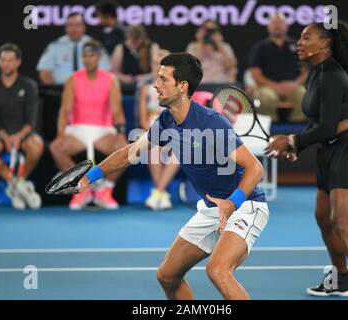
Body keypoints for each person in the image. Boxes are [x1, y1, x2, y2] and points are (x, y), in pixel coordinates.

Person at [76, 53, 270, 299]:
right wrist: (87, 178)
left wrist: (233, 202)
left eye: (162, 79)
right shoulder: (166, 121)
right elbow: (130, 153)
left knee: (218, 271)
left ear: (182, 86)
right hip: (211, 208)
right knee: (167, 275)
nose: (155, 85)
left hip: (245, 205)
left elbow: (255, 168)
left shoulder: (211, 123)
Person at [264, 21, 348, 300]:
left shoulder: (333, 76)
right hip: (329, 152)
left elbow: (329, 126)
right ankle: (341, 278)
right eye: (299, 37)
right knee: (323, 218)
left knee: (343, 222)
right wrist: (302, 145)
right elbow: (318, 123)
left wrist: (294, 141)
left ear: (324, 44)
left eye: (306, 37)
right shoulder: (315, 73)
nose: (299, 42)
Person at [49, 40, 128, 210]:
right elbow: (64, 110)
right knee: (56, 147)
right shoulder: (73, 79)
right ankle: (81, 189)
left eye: (91, 56)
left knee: (128, 150)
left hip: (103, 131)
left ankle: (105, 190)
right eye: (85, 56)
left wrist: (121, 134)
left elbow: (117, 111)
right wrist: (61, 134)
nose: (87, 59)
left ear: (98, 58)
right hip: (78, 129)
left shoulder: (111, 80)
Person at [0, 43, 43, 210]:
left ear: (18, 62)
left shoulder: (29, 86)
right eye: (3, 60)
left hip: (24, 134)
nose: (6, 63)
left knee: (37, 146)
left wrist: (19, 136)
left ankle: (16, 185)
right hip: (0, 134)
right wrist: (5, 136)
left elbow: (32, 119)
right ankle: (17, 184)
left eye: (10, 60)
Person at [138, 49, 179, 210]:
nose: (158, 66)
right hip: (152, 131)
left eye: (163, 63)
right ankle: (161, 194)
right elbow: (142, 119)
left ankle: (158, 192)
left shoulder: (177, 89)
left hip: (174, 134)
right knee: (152, 148)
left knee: (179, 152)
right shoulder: (146, 89)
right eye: (156, 63)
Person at [249, 13, 307, 122]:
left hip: (293, 86)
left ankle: (297, 131)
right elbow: (255, 73)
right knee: (266, 97)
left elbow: (306, 70)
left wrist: (296, 83)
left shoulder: (297, 45)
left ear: (286, 26)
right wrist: (276, 86)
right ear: (268, 26)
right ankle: (270, 131)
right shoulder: (260, 47)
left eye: (280, 23)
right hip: (268, 87)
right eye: (274, 23)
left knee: (303, 94)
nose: (277, 26)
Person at [36, 12, 111, 85]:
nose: (74, 29)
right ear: (65, 28)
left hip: (90, 91)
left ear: (84, 27)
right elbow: (44, 72)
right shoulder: (55, 46)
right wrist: (55, 92)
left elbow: (106, 71)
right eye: (70, 25)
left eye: (77, 25)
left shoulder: (94, 45)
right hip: (60, 91)